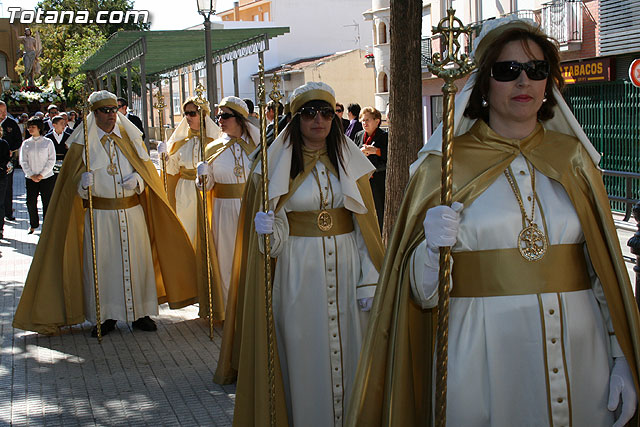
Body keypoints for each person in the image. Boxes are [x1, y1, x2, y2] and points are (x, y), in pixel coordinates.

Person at [347, 17, 640, 427]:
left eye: (536, 70)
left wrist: (621, 353)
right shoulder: (443, 167)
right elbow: (420, 294)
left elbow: (603, 272)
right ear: (484, 83)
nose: (524, 82)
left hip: (582, 360)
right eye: (507, 70)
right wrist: (430, 251)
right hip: (481, 363)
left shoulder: (573, 160)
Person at [230, 82, 384, 426]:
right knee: (304, 354)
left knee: (350, 354)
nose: (319, 120)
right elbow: (270, 248)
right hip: (298, 273)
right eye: (310, 113)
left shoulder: (351, 164)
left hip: (346, 271)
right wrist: (269, 231)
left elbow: (365, 229)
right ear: (296, 120)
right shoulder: (275, 168)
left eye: (326, 113)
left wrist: (368, 280)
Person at [13, 90, 199, 337]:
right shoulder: (84, 145)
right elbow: (69, 188)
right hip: (99, 215)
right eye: (105, 111)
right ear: (94, 113)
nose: (111, 116)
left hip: (132, 212)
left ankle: (140, 313)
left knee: (137, 263)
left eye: (114, 110)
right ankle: (106, 315)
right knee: (105, 265)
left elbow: (147, 173)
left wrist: (139, 181)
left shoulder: (128, 140)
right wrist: (81, 183)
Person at [158, 96, 224, 320]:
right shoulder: (181, 142)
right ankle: (193, 290)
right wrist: (163, 156)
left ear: (204, 115)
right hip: (185, 194)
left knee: (206, 241)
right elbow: (172, 169)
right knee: (188, 241)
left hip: (207, 194)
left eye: (193, 113)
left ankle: (211, 292)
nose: (188, 118)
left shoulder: (215, 141)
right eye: (186, 113)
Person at [197, 96, 259, 308]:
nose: (220, 120)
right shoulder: (212, 149)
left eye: (225, 116)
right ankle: (227, 308)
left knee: (250, 260)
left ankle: (251, 308)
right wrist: (201, 177)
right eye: (218, 115)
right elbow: (206, 186)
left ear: (240, 118)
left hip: (251, 209)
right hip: (223, 212)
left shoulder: (257, 146)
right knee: (226, 259)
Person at [19, 116, 56, 234]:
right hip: (31, 178)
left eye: (33, 127)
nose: (30, 129)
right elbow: (23, 161)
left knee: (47, 202)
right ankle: (33, 224)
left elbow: (51, 160)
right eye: (29, 127)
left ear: (39, 128)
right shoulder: (26, 143)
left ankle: (48, 226)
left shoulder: (47, 142)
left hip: (46, 177)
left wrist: (41, 174)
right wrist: (31, 174)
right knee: (30, 202)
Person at [354, 107, 387, 230]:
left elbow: (389, 158)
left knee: (379, 212)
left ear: (377, 121)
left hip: (377, 181)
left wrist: (376, 151)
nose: (364, 123)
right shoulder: (358, 135)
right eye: (362, 120)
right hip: (362, 181)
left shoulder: (384, 137)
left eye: (367, 120)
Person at [0, 101, 21, 221]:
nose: (3, 114)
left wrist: (11, 150)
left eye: (4, 111)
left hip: (8, 160)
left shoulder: (11, 123)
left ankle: (8, 212)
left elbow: (18, 140)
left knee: (7, 186)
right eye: (1, 111)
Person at [0, 128, 11, 240]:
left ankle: (0, 228)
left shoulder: (3, 143)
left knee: (0, 203)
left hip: (1, 176)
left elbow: (6, 158)